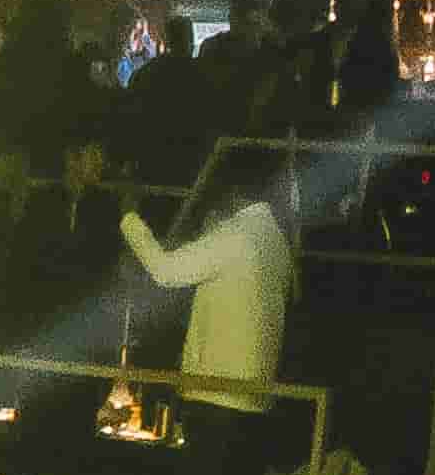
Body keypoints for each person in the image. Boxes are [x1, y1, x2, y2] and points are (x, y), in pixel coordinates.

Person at [123, 162, 301, 390]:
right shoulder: (276, 241)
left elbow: (164, 271)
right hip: (254, 392)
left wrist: (129, 217)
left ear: (233, 192)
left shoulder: (236, 234)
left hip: (215, 390)